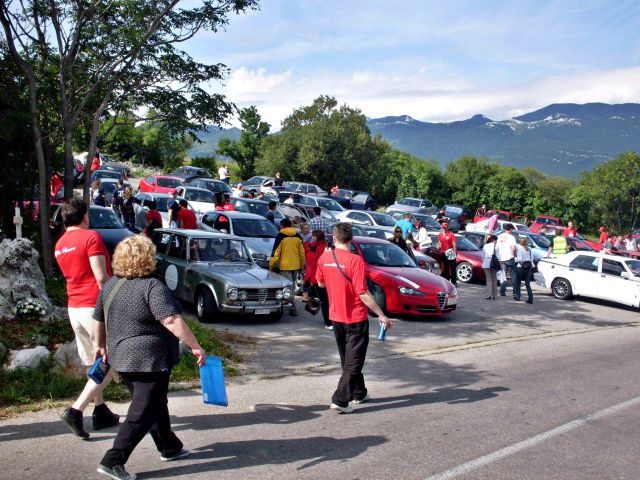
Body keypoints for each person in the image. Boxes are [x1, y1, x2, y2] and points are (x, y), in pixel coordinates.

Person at [94, 235, 205, 480]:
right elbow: (171, 320)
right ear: (147, 258)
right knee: (142, 411)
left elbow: (98, 319)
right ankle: (112, 461)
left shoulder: (111, 286)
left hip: (121, 358)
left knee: (154, 403)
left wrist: (100, 346)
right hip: (149, 359)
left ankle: (169, 447)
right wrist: (196, 346)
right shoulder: (152, 287)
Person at [54, 199, 119, 439]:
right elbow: (101, 277)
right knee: (110, 360)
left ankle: (100, 411)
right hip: (95, 307)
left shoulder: (60, 244)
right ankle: (76, 410)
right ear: (84, 217)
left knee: (93, 359)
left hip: (74, 307)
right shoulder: (90, 238)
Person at [316, 222, 393, 414]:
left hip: (336, 316)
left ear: (334, 238)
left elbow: (320, 283)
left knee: (348, 359)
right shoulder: (355, 260)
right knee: (353, 361)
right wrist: (381, 315)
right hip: (355, 318)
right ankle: (340, 400)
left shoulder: (324, 257)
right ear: (351, 239)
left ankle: (359, 392)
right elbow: (363, 293)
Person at [269, 218, 305, 316]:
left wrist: (271, 265)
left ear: (282, 226)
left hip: (285, 265)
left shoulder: (280, 236)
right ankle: (287, 304)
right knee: (291, 286)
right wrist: (301, 266)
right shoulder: (298, 236)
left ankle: (294, 309)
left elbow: (276, 252)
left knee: (289, 288)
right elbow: (302, 253)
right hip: (296, 265)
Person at [304, 230, 331, 329]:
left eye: (313, 236)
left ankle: (328, 323)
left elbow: (311, 263)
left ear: (316, 237)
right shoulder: (326, 246)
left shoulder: (314, 247)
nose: (312, 238)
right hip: (326, 277)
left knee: (324, 301)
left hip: (317, 278)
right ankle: (329, 321)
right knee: (327, 300)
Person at [497, 223, 517, 296]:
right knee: (513, 274)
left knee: (503, 275)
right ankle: (515, 290)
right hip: (509, 257)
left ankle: (502, 291)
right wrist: (515, 255)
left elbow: (497, 248)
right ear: (511, 229)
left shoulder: (499, 236)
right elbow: (513, 248)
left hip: (501, 258)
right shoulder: (511, 237)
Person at [514, 237, 534, 303]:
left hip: (520, 267)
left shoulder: (520, 249)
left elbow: (519, 259)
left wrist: (514, 259)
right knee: (528, 284)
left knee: (518, 283)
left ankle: (517, 296)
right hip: (528, 269)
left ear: (521, 242)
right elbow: (531, 260)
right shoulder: (529, 250)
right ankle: (530, 298)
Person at [481, 234, 498, 299]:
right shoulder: (496, 246)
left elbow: (483, 256)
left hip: (486, 263)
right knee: (494, 279)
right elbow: (498, 256)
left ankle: (489, 295)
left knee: (489, 279)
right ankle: (494, 295)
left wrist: (484, 261)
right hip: (494, 264)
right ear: (494, 240)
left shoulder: (485, 245)